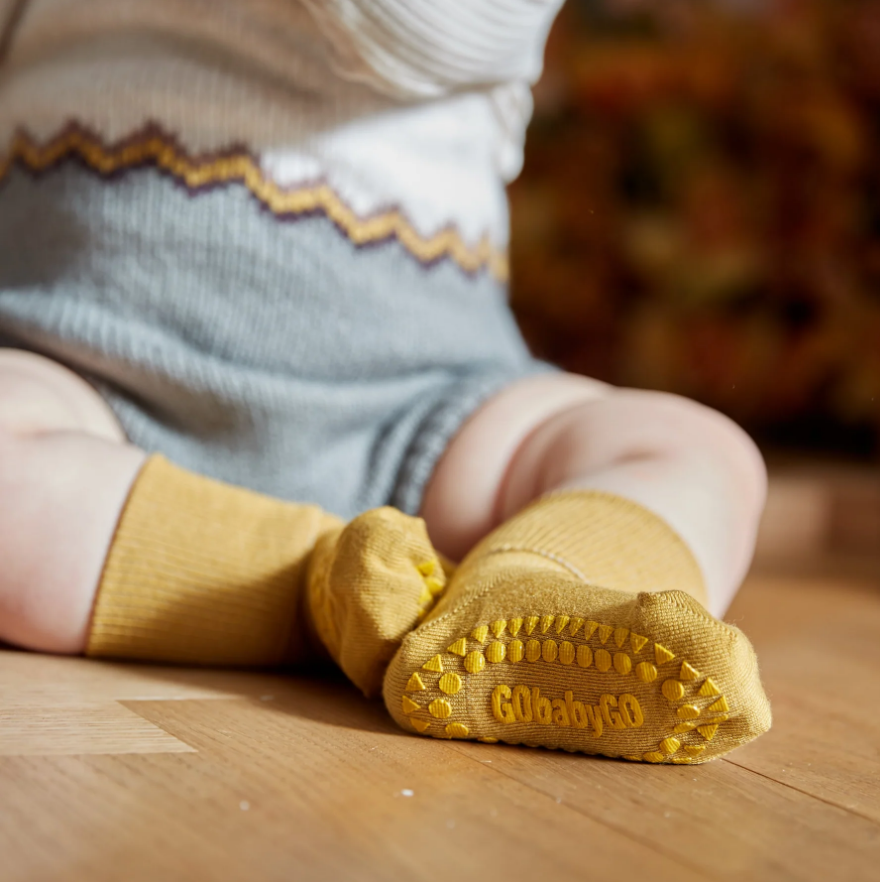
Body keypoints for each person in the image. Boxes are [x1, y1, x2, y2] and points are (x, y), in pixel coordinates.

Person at [0, 0, 770, 763]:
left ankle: (530, 594)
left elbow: (451, 31)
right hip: (83, 384)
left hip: (422, 410)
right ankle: (324, 590)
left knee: (696, 451)